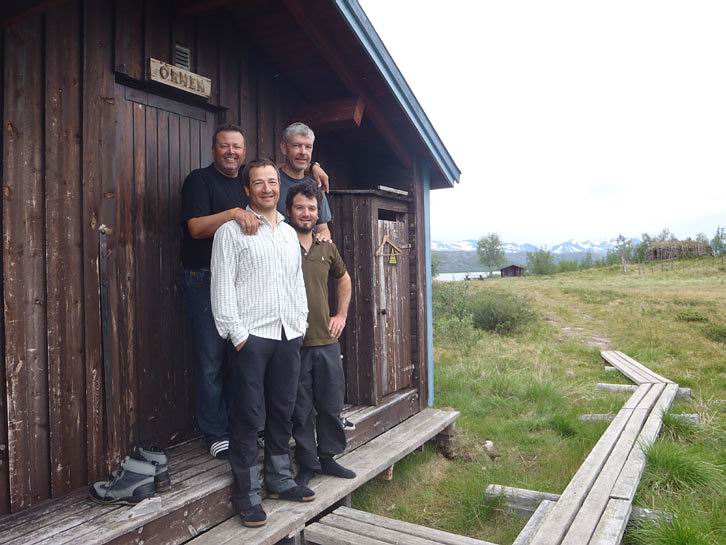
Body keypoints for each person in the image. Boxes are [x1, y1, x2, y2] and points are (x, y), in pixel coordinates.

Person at [180, 124, 330, 460]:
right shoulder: (200, 181)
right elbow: (195, 228)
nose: (231, 152)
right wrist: (233, 214)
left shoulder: (254, 184)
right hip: (204, 277)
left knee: (243, 366)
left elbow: (289, 173)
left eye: (237, 146)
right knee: (212, 360)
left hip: (247, 283)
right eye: (224, 146)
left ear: (245, 152)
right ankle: (217, 432)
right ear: (214, 149)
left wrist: (315, 167)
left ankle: (246, 428)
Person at [210, 158, 314, 528]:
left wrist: (300, 323)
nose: (267, 188)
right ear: (247, 190)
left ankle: (280, 480)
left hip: (287, 335)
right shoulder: (230, 233)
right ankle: (248, 494)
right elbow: (221, 287)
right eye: (259, 182)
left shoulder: (288, 233)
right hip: (251, 339)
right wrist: (237, 336)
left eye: (272, 181)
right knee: (248, 415)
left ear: (279, 187)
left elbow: (296, 283)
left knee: (283, 411)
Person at [286, 181, 356, 487]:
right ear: (289, 211)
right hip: (293, 341)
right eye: (300, 207)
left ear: (318, 213)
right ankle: (307, 464)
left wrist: (341, 315)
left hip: (326, 340)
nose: (306, 213)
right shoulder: (280, 244)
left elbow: (344, 279)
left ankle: (328, 458)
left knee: (330, 403)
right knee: (300, 408)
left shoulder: (327, 247)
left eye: (312, 208)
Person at [278, 122, 332, 240]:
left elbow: (323, 229)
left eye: (308, 147)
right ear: (284, 148)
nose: (303, 152)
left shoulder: (315, 186)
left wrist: (321, 240)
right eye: (296, 145)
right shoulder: (271, 183)